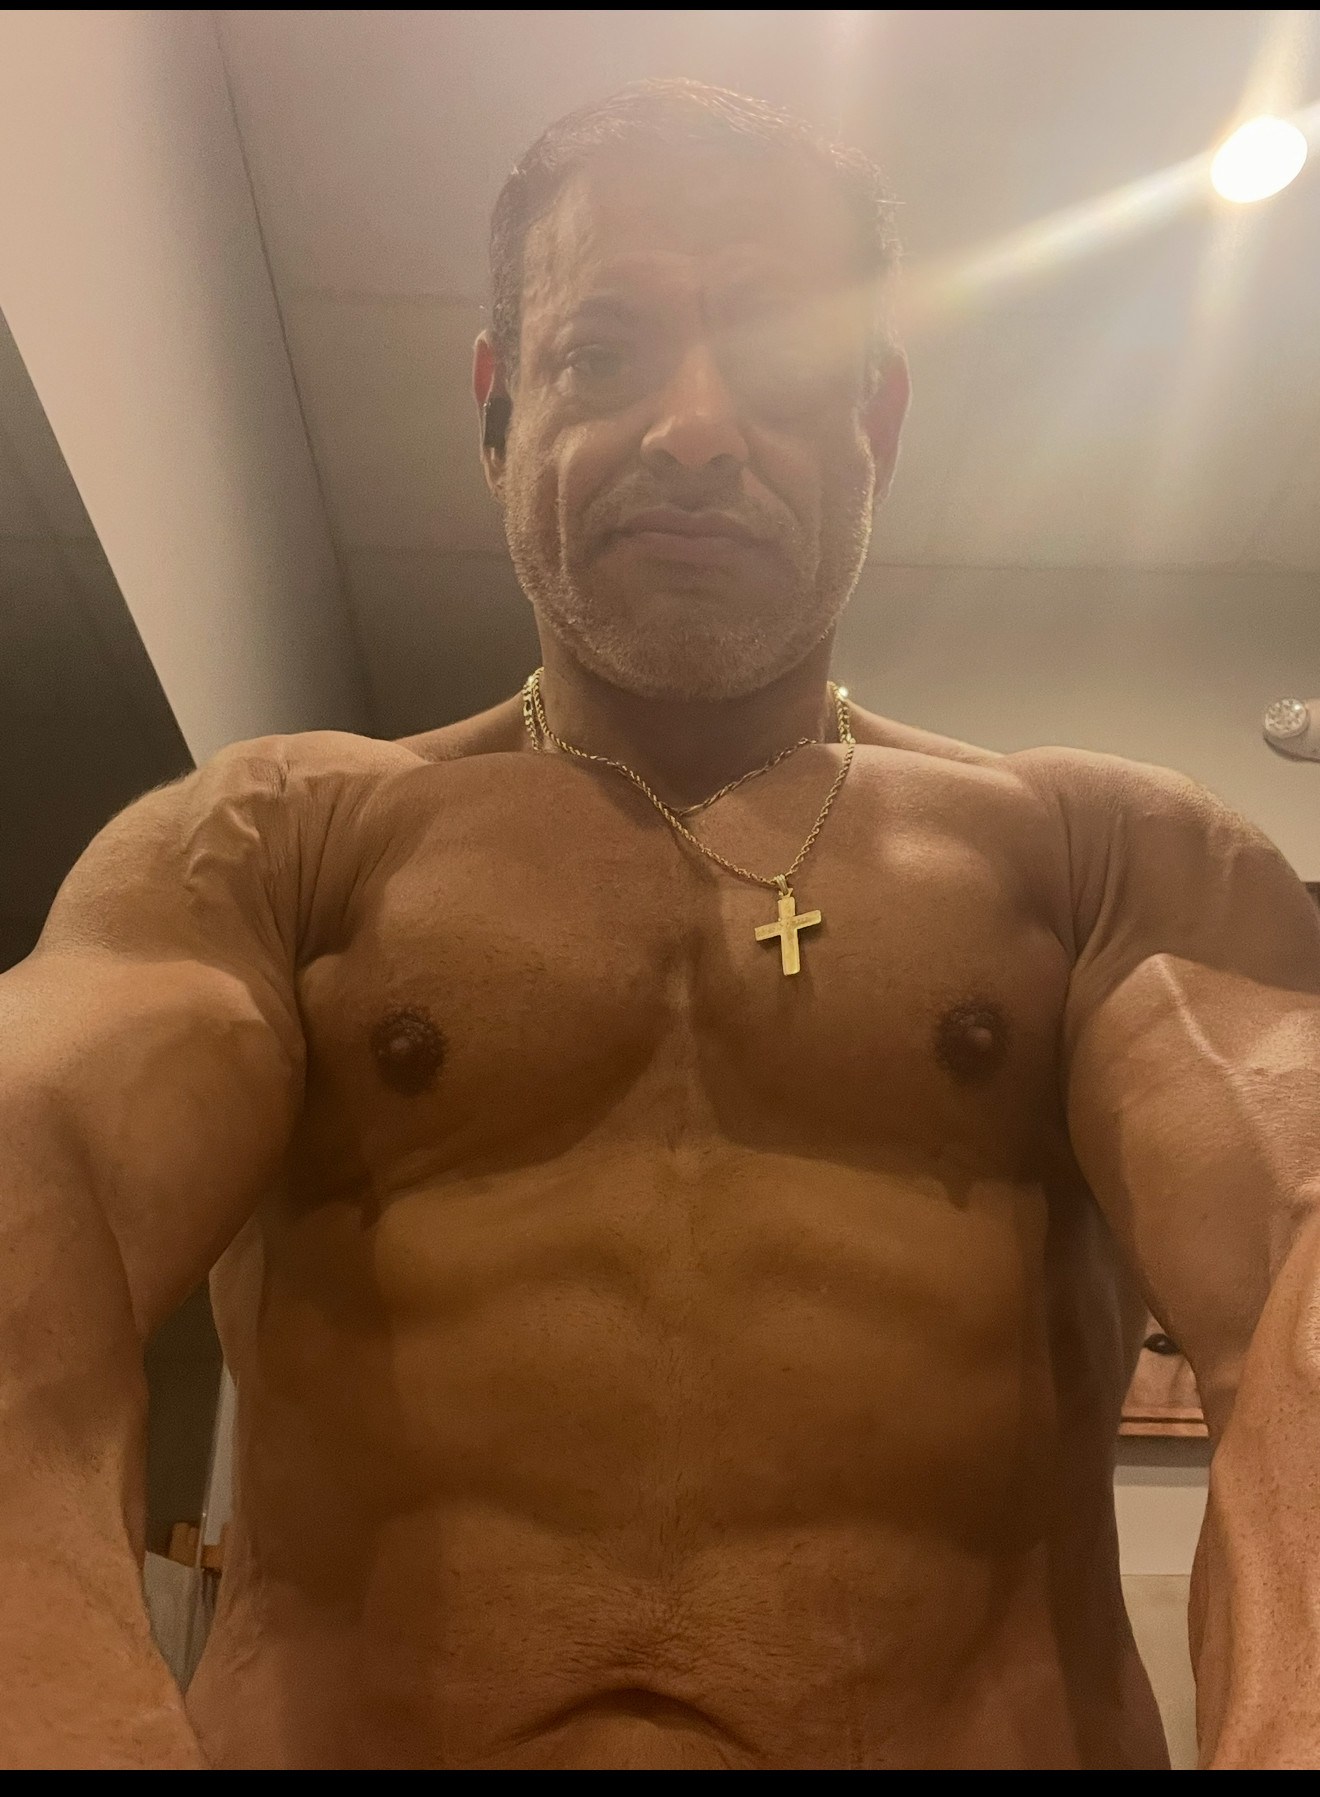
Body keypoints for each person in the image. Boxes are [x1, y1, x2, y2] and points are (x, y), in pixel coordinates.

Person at [1, 79, 1318, 1771]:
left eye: (775, 365)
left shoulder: (1100, 865)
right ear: (500, 411)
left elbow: (1297, 1273)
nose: (695, 427)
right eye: (604, 354)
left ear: (875, 420)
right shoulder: (278, 851)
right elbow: (32, 1205)